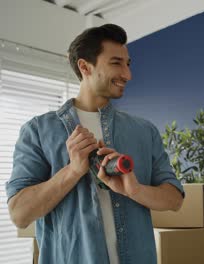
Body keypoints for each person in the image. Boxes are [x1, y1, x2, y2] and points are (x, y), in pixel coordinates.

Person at [6, 24, 184, 264]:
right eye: (116, 63)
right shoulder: (37, 131)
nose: (127, 74)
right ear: (84, 67)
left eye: (127, 64)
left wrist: (134, 190)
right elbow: (20, 214)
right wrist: (73, 170)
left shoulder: (144, 131)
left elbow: (174, 199)